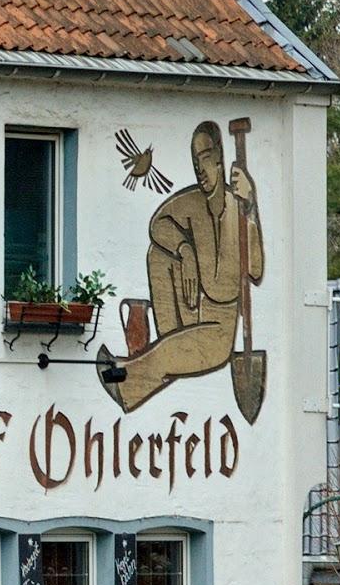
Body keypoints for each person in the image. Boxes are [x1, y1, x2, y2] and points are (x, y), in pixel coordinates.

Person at [99, 120, 262, 412]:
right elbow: (157, 224)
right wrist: (185, 251)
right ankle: (161, 352)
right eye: (195, 161)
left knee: (180, 349)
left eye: (206, 158)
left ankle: (126, 381)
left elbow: (256, 270)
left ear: (220, 158)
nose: (200, 169)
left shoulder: (237, 211)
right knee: (159, 253)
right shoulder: (192, 202)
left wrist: (250, 207)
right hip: (186, 314)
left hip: (217, 332)